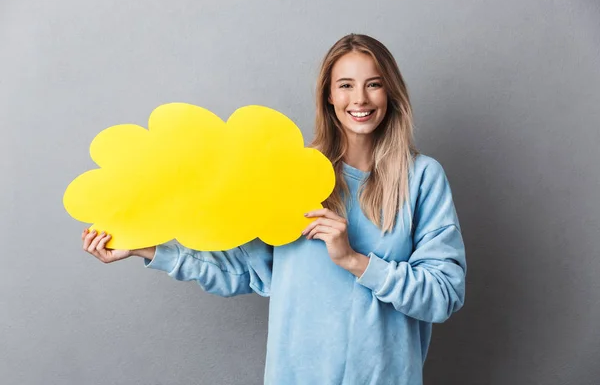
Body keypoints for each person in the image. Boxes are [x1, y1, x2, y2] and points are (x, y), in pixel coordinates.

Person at [81, 33, 467, 385]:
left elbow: (443, 294)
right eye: (345, 85)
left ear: (391, 93)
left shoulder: (421, 178)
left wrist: (353, 260)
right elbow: (243, 271)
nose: (360, 99)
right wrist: (145, 248)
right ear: (328, 96)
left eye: (373, 84)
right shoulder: (288, 176)